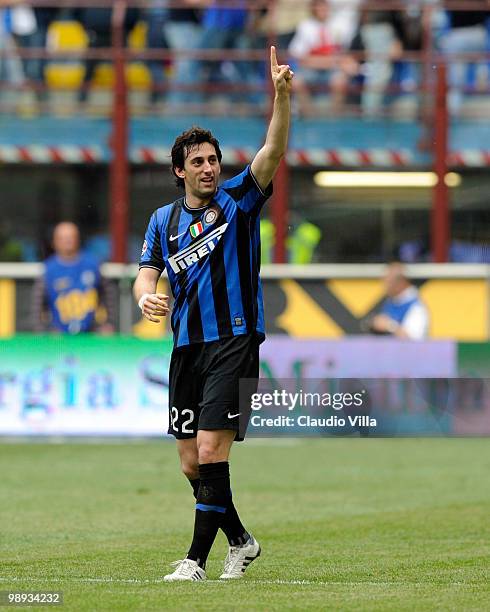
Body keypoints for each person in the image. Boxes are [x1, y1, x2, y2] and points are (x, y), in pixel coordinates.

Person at [133, 46, 293, 581]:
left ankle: (195, 561)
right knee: (190, 462)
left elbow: (272, 149)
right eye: (197, 162)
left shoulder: (240, 200)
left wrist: (282, 97)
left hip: (234, 340)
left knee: (209, 449)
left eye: (213, 159)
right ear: (180, 170)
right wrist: (145, 296)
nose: (208, 168)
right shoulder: (162, 220)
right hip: (185, 348)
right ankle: (241, 541)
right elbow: (145, 271)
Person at [31, 221, 115, 334]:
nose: (68, 241)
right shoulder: (48, 270)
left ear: (78, 239)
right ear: (54, 242)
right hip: (59, 337)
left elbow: (109, 295)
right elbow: (36, 305)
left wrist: (109, 324)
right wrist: (42, 332)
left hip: (90, 334)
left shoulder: (93, 264)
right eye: (63, 238)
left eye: (71, 237)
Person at [367, 262, 429, 340]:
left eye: (388, 282)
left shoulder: (416, 307)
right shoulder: (390, 302)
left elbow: (414, 341)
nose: (385, 287)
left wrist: (389, 326)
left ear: (400, 283)